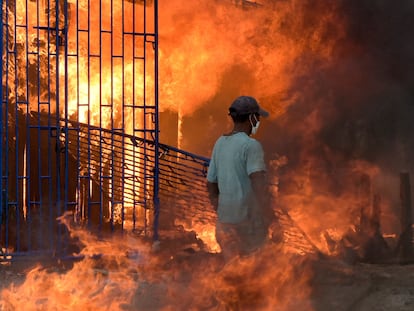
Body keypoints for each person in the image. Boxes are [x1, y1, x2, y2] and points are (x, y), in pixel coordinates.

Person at [206, 95, 275, 261]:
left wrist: (222, 210)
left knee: (234, 276)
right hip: (248, 227)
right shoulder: (251, 146)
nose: (258, 121)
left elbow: (211, 184)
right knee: (258, 273)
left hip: (224, 227)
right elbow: (258, 183)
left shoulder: (220, 143)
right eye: (257, 117)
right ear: (251, 118)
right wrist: (272, 218)